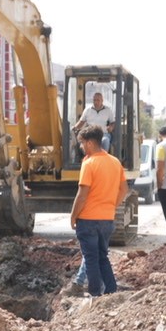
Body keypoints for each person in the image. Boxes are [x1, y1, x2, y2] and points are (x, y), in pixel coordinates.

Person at [69, 126, 128, 297]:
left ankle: (95, 295)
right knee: (103, 257)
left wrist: (73, 216)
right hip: (107, 219)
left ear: (89, 142)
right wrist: (112, 205)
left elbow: (82, 195)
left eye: (81, 143)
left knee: (91, 259)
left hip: (88, 220)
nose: (81, 147)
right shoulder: (115, 162)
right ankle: (111, 292)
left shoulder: (89, 163)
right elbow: (124, 189)